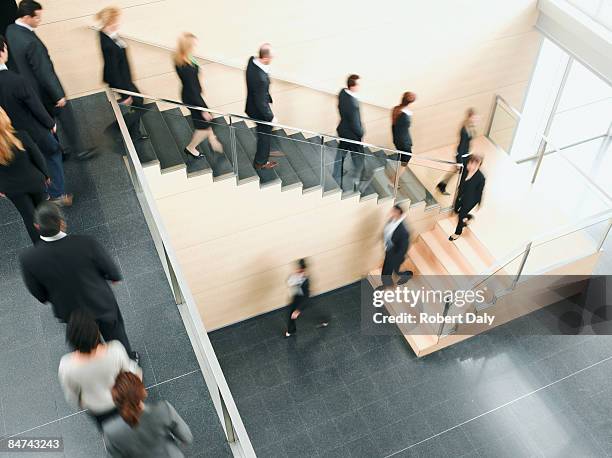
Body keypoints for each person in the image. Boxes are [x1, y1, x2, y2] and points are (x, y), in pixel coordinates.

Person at [19, 202, 139, 361]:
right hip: (100, 303)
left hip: (71, 314)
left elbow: (39, 294)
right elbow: (112, 272)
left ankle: (100, 369)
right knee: (116, 337)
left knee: (89, 348)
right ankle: (127, 363)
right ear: (62, 223)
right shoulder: (85, 242)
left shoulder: (28, 259)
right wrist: (112, 278)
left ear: (36, 226)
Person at [6, 0, 92, 160]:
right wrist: (57, 94)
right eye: (37, 18)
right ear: (26, 17)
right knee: (66, 116)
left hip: (29, 89)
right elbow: (43, 70)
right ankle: (79, 151)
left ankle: (58, 150)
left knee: (46, 122)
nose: (40, 20)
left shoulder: (11, 30)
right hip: (44, 90)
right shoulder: (30, 41)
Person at [0, 35, 71, 206]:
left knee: (28, 161)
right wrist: (50, 123)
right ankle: (57, 194)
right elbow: (35, 106)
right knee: (52, 154)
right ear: (2, 51)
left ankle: (41, 193)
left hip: (7, 136)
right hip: (32, 130)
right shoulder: (16, 80)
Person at [58, 309, 141, 429]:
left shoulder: (66, 365)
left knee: (109, 430)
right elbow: (131, 372)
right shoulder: (115, 350)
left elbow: (72, 393)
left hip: (96, 407)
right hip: (122, 399)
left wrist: (81, 403)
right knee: (134, 422)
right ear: (96, 333)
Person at [103, 372, 193, 457]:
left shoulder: (110, 431)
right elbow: (187, 437)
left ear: (116, 402)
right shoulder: (164, 409)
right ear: (142, 391)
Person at [96, 6, 147, 142]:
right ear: (109, 22)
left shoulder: (107, 33)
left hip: (125, 78)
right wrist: (125, 94)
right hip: (120, 81)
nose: (118, 23)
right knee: (140, 105)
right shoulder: (108, 44)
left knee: (139, 103)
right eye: (116, 21)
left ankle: (134, 133)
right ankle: (115, 129)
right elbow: (113, 70)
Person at [0, 108, 49, 243]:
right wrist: (46, 175)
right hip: (34, 181)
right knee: (44, 212)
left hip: (12, 189)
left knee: (29, 218)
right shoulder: (21, 136)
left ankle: (41, 248)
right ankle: (54, 239)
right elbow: (38, 158)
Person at [174, 32, 223, 158]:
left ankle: (212, 139)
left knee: (207, 120)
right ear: (187, 46)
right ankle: (191, 148)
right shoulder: (186, 66)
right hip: (192, 97)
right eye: (193, 45)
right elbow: (192, 88)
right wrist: (202, 109)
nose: (195, 46)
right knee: (203, 125)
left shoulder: (181, 57)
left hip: (191, 94)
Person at [245, 43, 279, 170]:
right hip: (258, 110)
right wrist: (271, 117)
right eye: (271, 57)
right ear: (265, 58)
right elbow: (260, 102)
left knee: (264, 132)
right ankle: (261, 162)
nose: (272, 60)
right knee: (264, 133)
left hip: (251, 105)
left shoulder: (252, 61)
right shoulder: (261, 79)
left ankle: (264, 152)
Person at [436, 108, 479, 195]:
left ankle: (442, 185)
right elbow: (461, 145)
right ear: (469, 117)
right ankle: (459, 191)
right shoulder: (465, 130)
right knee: (461, 173)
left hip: (466, 153)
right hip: (462, 155)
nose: (476, 119)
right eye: (474, 118)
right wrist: (459, 161)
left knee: (454, 171)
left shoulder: (470, 126)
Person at [284, 259, 328, 337]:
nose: (297, 270)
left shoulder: (306, 281)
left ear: (302, 269)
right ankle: (291, 330)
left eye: (299, 269)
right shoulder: (297, 275)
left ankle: (324, 320)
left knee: (311, 313)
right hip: (296, 298)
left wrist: (298, 310)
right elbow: (289, 282)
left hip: (304, 300)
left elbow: (306, 297)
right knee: (291, 314)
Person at [336, 74, 365, 192]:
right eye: (358, 84)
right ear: (352, 86)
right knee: (359, 157)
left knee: (341, 152)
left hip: (343, 129)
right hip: (352, 135)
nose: (359, 86)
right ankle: (357, 179)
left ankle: (336, 172)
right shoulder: (352, 104)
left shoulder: (342, 93)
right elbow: (355, 123)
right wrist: (361, 133)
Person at [449, 154, 485, 241]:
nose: (471, 166)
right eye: (470, 163)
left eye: (475, 165)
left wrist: (479, 203)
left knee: (461, 215)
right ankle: (468, 217)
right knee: (456, 210)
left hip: (471, 199)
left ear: (478, 166)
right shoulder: (465, 169)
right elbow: (461, 156)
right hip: (461, 194)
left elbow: (480, 192)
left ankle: (457, 232)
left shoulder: (481, 178)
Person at [379, 205, 412, 289]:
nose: (390, 212)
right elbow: (388, 232)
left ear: (398, 213)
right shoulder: (392, 220)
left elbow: (404, 247)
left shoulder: (403, 230)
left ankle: (387, 285)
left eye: (393, 211)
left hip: (395, 254)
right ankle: (405, 275)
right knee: (394, 271)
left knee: (387, 272)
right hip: (390, 250)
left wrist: (393, 258)